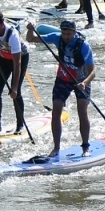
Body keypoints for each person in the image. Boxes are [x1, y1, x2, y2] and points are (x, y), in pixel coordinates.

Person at [24, 18, 95, 160]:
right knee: (56, 111)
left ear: (74, 33)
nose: (66, 37)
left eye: (69, 34)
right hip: (63, 78)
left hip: (81, 80)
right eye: (64, 33)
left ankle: (85, 146)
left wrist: (85, 83)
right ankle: (56, 148)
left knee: (82, 111)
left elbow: (93, 71)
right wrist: (30, 28)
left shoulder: (83, 46)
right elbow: (31, 39)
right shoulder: (57, 38)